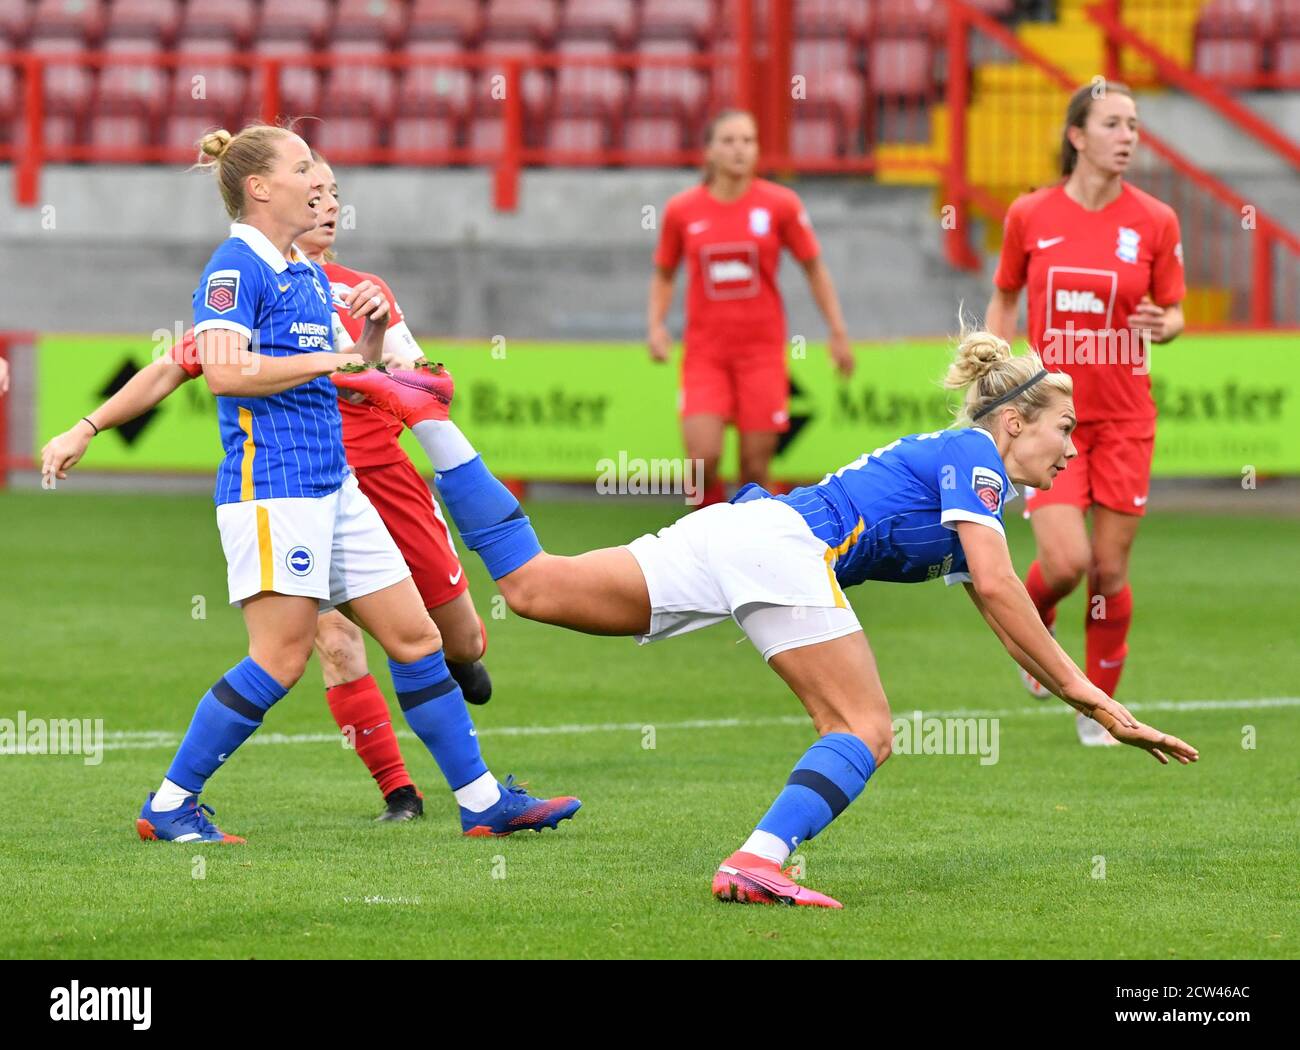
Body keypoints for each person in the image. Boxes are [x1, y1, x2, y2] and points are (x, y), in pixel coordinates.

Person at [335, 328, 1199, 909]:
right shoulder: (976, 460)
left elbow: (998, 606)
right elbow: (1007, 591)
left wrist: (1084, 695)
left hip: (742, 529)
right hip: (782, 546)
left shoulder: (973, 477)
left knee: (531, 586)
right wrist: (1093, 697)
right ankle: (759, 860)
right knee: (863, 726)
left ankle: (430, 417)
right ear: (1014, 422)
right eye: (1064, 428)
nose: (1073, 446)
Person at [102, 123, 578, 843]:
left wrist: (365, 343)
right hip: (277, 490)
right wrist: (331, 362)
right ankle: (170, 803)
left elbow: (346, 367)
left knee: (417, 639)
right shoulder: (235, 269)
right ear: (261, 188)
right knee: (283, 657)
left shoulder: (300, 273)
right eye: (303, 171)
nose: (320, 188)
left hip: (335, 487)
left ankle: (481, 800)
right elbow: (226, 371)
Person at [984, 81, 1185, 745]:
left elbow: (1175, 311)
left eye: (1134, 125)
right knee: (1066, 563)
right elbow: (1006, 294)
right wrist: (995, 369)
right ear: (1078, 136)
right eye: (1113, 124)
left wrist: (1166, 322)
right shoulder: (1030, 215)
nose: (1128, 136)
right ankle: (1034, 621)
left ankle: (1100, 707)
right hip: (1051, 419)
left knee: (1110, 571)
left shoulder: (1154, 220)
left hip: (1127, 417)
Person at [647, 109, 854, 507]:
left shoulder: (781, 205)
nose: (740, 149)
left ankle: (751, 553)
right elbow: (664, 274)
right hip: (705, 355)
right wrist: (656, 325)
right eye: (729, 140)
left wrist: (838, 332)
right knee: (702, 459)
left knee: (755, 468)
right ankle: (698, 545)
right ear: (708, 151)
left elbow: (814, 268)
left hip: (761, 355)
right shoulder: (682, 211)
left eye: (748, 140)